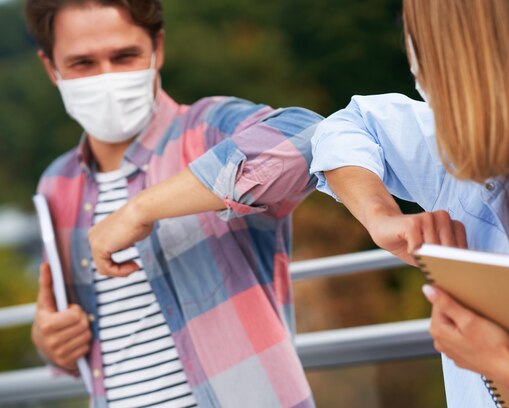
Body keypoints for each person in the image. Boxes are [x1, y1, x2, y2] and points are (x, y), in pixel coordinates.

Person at [310, 0, 509, 407]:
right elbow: (349, 126)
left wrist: (507, 370)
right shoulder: (468, 158)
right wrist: (381, 217)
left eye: (424, 41)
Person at [26, 0, 321, 406]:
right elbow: (87, 342)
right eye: (83, 64)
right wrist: (52, 344)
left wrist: (141, 208)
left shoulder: (207, 131)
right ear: (51, 68)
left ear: (157, 48)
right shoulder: (56, 184)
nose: (106, 77)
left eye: (124, 55)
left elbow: (311, 136)